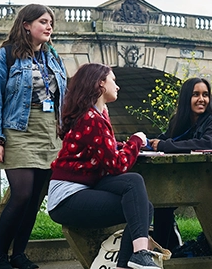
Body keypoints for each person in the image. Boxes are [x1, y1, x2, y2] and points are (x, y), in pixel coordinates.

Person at [47, 63, 160, 269]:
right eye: (113, 80)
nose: (117, 86)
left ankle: (131, 260)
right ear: (100, 83)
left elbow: (104, 147)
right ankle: (138, 255)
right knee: (138, 204)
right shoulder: (92, 119)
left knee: (141, 201)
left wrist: (125, 145)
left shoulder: (99, 113)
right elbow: (117, 165)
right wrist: (135, 141)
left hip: (87, 185)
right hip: (66, 198)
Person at [0, 4, 67, 269]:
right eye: (43, 21)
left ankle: (19, 254)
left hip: (49, 133)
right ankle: (0, 256)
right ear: (26, 25)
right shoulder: (5, 56)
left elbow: (62, 97)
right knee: (21, 194)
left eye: (51, 22)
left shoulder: (53, 57)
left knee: (34, 200)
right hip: (18, 130)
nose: (49, 26)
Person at [148, 77, 212, 252]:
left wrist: (166, 146)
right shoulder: (179, 120)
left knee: (164, 199)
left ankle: (170, 247)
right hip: (189, 179)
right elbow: (164, 139)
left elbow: (210, 144)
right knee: (160, 201)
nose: (201, 99)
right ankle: (164, 249)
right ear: (187, 97)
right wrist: (142, 143)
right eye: (196, 94)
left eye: (205, 94)